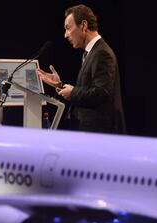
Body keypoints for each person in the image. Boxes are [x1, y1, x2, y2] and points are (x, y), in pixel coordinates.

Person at [37, 4, 126, 134]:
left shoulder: (102, 53)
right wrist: (60, 86)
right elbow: (89, 90)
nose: (65, 35)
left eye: (68, 28)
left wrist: (72, 93)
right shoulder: (91, 52)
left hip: (100, 135)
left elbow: (102, 93)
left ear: (83, 25)